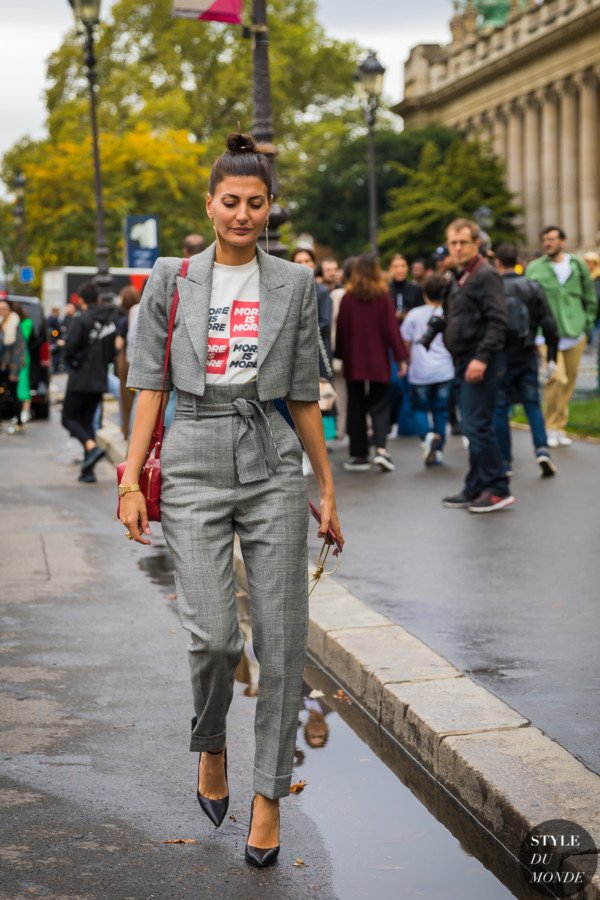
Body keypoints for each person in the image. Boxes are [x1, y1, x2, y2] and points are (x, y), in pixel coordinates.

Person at [119, 132, 344, 869]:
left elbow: (305, 393)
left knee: (280, 645)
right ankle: (211, 742)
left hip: (274, 457)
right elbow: (150, 383)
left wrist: (327, 485)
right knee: (214, 636)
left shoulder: (295, 284)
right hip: (193, 455)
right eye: (230, 201)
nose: (242, 213)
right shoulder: (172, 277)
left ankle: (269, 796)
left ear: (269, 209)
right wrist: (129, 477)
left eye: (255, 203)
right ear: (210, 204)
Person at [439, 218, 514, 513]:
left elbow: (498, 320)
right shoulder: (462, 277)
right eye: (453, 243)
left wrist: (481, 357)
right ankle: (475, 485)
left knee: (477, 426)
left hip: (479, 362)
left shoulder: (485, 275)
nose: (457, 248)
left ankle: (497, 488)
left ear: (476, 244)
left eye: (463, 243)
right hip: (463, 361)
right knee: (473, 425)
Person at [335, 252, 408, 472]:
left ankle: (359, 455)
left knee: (356, 406)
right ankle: (382, 450)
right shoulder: (383, 297)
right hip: (378, 361)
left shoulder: (348, 298)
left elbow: (342, 330)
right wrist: (400, 357)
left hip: (354, 360)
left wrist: (339, 355)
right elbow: (391, 331)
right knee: (380, 406)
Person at [526, 226, 598, 448]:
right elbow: (527, 299)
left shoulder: (576, 264)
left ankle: (560, 425)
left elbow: (590, 296)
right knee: (556, 379)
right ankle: (550, 425)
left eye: (552, 239)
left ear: (563, 242)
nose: (548, 243)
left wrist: (586, 324)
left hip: (575, 332)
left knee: (570, 383)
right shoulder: (535, 268)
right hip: (546, 336)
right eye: (545, 239)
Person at [493, 243, 559, 477]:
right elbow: (549, 324)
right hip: (526, 351)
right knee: (532, 404)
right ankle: (542, 449)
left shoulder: (495, 288)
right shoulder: (532, 287)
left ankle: (505, 461)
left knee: (500, 408)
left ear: (497, 263)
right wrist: (551, 355)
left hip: (500, 354)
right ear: (518, 261)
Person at [61, 281, 118, 483]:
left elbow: (69, 348)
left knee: (68, 418)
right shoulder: (109, 322)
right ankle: (88, 471)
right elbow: (113, 351)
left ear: (82, 300)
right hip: (99, 378)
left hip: (80, 379)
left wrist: (72, 363)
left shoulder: (81, 319)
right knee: (87, 422)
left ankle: (91, 447)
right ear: (99, 298)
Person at [401, 274, 455, 466]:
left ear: (424, 294)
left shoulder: (414, 314)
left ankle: (427, 436)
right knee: (441, 410)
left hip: (420, 370)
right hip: (445, 369)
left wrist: (406, 361)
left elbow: (405, 341)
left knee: (419, 408)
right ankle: (439, 450)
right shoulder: (448, 313)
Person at [115, 286, 140, 440]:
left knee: (127, 399)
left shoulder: (125, 319)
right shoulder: (143, 312)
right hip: (141, 359)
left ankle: (127, 431)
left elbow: (118, 344)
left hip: (126, 360)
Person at [0, 298, 26, 432]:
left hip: (10, 366)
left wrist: (15, 371)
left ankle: (19, 423)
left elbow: (20, 349)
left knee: (14, 395)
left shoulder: (14, 324)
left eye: (4, 308)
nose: (2, 311)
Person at [11, 302, 34, 427]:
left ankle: (25, 410)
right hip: (13, 358)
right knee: (16, 385)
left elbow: (22, 338)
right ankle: (19, 412)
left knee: (23, 384)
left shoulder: (25, 323)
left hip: (22, 358)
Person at [388, 254, 424, 322]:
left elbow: (422, 314)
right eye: (395, 267)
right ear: (390, 269)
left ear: (407, 268)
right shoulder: (385, 291)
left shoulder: (416, 290)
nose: (399, 270)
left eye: (403, 266)